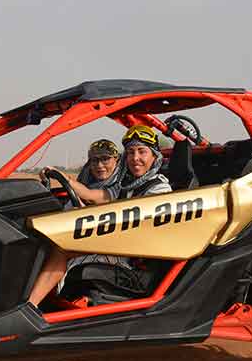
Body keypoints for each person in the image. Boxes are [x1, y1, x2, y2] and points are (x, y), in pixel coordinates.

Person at [28, 125, 172, 307]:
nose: (135, 158)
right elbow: (92, 195)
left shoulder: (160, 189)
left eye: (142, 152)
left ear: (154, 156)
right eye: (130, 153)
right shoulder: (125, 185)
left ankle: (31, 306)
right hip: (113, 242)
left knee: (62, 250)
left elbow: (138, 227)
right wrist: (63, 177)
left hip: (130, 253)